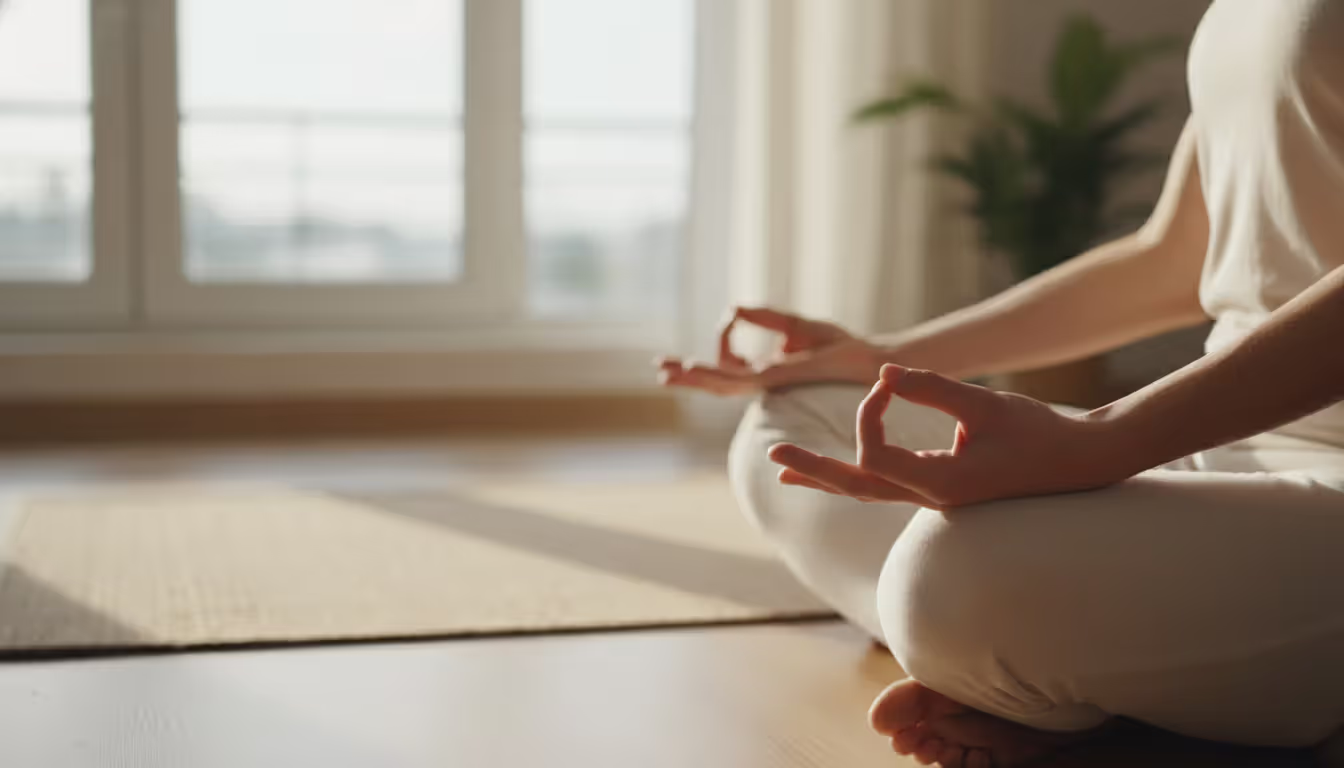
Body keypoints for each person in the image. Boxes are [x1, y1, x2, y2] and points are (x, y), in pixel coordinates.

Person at [658, 1, 1344, 765]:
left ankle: (1041, 673)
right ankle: (1063, 678)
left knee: (945, 578)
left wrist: (1103, 442)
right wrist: (885, 355)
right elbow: (1175, 256)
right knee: (801, 424)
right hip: (1219, 442)